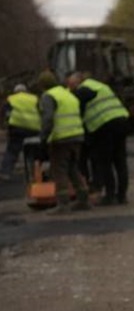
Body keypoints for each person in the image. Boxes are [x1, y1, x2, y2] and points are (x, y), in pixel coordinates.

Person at [67, 71, 130, 205]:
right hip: (121, 121)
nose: (71, 89)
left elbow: (77, 112)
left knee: (105, 162)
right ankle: (122, 196)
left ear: (77, 83)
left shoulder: (82, 90)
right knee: (120, 160)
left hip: (104, 126)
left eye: (71, 86)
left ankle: (109, 196)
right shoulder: (100, 86)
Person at [35, 70, 91, 213]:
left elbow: (48, 119)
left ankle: (63, 204)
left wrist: (43, 139)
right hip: (77, 136)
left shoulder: (48, 96)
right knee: (73, 168)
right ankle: (83, 200)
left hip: (61, 138)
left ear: (42, 85)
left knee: (59, 171)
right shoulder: (67, 94)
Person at [1, 82, 41, 180]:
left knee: (12, 150)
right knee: (33, 151)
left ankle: (6, 172)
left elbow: (6, 114)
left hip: (17, 128)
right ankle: (34, 172)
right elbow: (41, 112)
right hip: (33, 129)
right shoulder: (34, 99)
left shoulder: (11, 99)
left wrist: (7, 126)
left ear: (15, 92)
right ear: (26, 91)